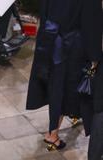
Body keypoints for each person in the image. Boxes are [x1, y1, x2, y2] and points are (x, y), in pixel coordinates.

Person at [26, 0, 102, 151]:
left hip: (50, 39)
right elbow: (91, 23)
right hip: (73, 46)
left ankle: (59, 126)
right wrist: (95, 56)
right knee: (67, 88)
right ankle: (53, 134)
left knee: (56, 86)